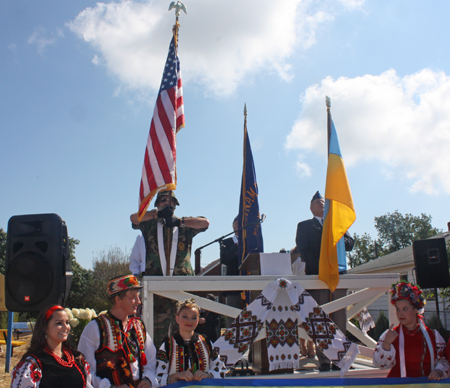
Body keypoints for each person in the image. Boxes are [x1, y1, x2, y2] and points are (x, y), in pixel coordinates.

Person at [130, 191, 209, 347]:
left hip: (182, 285)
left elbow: (205, 223)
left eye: (171, 201)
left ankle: (183, 362)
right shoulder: (149, 224)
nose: (168, 203)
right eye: (163, 200)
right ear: (157, 204)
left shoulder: (184, 226)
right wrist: (156, 215)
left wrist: (179, 222)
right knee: (155, 332)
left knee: (183, 332)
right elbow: (133, 218)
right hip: (156, 285)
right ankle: (158, 364)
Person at [295, 191, 354, 371]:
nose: (322, 204)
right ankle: (324, 359)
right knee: (321, 318)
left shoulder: (336, 223)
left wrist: (339, 232)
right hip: (317, 276)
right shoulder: (304, 226)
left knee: (339, 318)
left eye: (323, 202)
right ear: (311, 207)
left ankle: (341, 357)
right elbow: (303, 250)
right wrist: (322, 266)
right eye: (318, 202)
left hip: (338, 275)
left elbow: (350, 244)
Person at [78, 274, 158, 388]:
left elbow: (151, 360)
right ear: (118, 299)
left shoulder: (138, 326)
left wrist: (148, 380)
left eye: (139, 297)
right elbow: (85, 371)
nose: (139, 301)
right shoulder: (95, 328)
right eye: (133, 297)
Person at [373, 281, 449, 379]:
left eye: (405, 309)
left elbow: (444, 360)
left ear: (415, 310)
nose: (400, 313)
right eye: (398, 309)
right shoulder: (391, 335)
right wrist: (386, 344)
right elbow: (380, 365)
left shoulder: (433, 335)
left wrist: (439, 371)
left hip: (426, 385)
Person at [11, 305, 92, 388]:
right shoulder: (33, 363)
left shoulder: (77, 359)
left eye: (67, 322)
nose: (65, 327)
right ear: (45, 328)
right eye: (59, 323)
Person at [156, 298, 227, 386]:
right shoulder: (168, 345)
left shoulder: (206, 343)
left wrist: (208, 375)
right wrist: (175, 377)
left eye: (193, 318)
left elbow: (221, 370)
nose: (189, 321)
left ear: (198, 321)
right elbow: (157, 377)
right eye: (185, 317)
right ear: (177, 319)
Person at [219, 216, 242, 327]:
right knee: (232, 320)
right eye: (238, 223)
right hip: (233, 286)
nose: (240, 225)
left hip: (249, 286)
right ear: (233, 226)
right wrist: (236, 246)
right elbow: (225, 259)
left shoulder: (251, 242)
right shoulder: (227, 242)